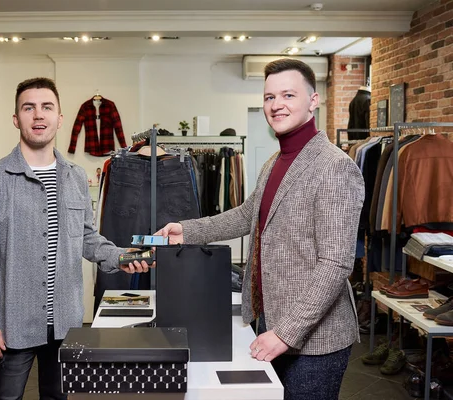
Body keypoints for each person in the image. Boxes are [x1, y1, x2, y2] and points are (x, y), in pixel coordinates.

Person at [154, 59, 364, 399]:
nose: (276, 105)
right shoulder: (275, 161)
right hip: (270, 319)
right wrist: (187, 232)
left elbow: (335, 264)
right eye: (269, 97)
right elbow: (246, 215)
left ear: (313, 100)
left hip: (314, 340)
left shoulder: (336, 167)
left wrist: (285, 333)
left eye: (288, 95)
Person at [0, 77, 149, 400]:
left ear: (59, 118)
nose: (38, 115)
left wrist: (119, 256)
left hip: (65, 323)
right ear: (16, 118)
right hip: (10, 325)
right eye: (28, 107)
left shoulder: (75, 176)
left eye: (47, 107)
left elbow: (85, 237)